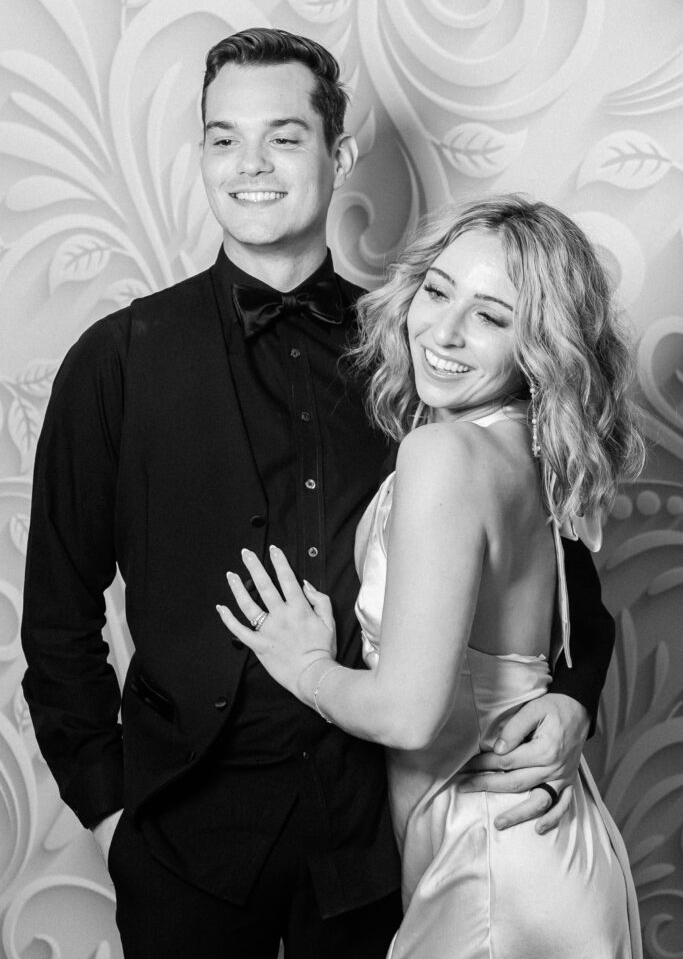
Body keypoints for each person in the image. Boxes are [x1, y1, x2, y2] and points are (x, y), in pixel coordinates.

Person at [22, 26, 613, 959]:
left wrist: (575, 693)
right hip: (182, 846)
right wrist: (110, 818)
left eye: (283, 137)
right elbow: (56, 617)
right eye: (223, 138)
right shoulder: (118, 360)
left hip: (373, 838)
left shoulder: (419, 352)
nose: (248, 165)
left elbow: (548, 560)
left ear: (336, 155)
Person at [219, 195, 646, 958]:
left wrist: (307, 666)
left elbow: (410, 717)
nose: (442, 332)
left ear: (540, 344)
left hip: (493, 863)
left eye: (490, 315)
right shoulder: (537, 449)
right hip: (539, 842)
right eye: (438, 291)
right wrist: (571, 700)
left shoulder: (443, 455)